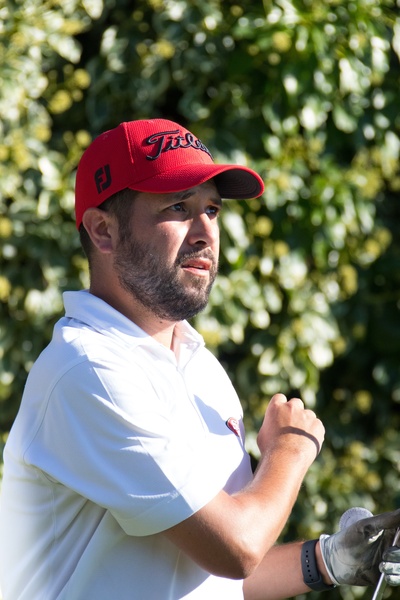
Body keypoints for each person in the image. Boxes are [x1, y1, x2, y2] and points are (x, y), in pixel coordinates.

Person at [0, 118, 399, 600]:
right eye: (178, 207)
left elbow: (218, 575)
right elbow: (237, 547)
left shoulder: (197, 364)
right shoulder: (87, 371)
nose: (205, 231)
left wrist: (330, 560)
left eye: (212, 209)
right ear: (103, 230)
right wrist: (289, 452)